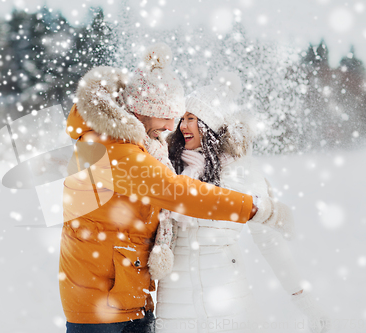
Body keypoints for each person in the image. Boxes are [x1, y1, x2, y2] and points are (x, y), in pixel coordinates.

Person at [59, 45, 270, 333]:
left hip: (122, 300)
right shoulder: (112, 149)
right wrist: (253, 207)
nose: (173, 125)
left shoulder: (132, 146)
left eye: (179, 116)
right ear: (142, 111)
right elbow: (176, 192)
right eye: (167, 116)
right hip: (104, 312)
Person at [152, 72, 331, 332]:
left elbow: (269, 240)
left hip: (227, 300)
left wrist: (303, 298)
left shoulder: (240, 172)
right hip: (175, 306)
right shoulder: (167, 167)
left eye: (191, 118)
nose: (182, 125)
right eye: (181, 118)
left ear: (209, 125)